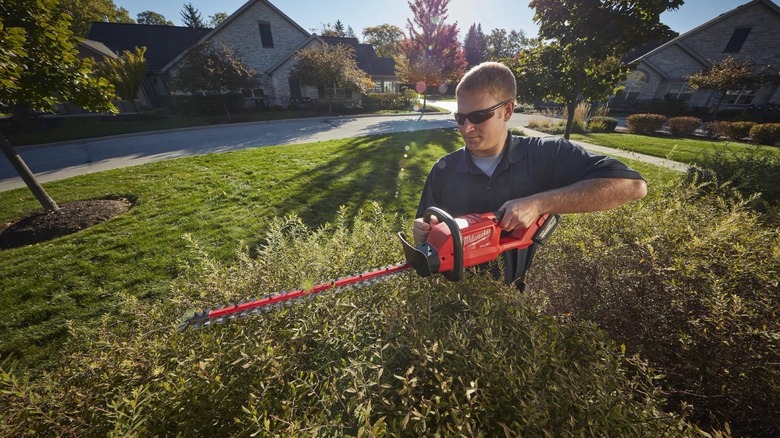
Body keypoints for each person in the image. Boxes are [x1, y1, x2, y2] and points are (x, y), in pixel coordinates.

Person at [412, 61, 647, 289]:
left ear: (507, 111)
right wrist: (423, 231)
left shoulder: (547, 154)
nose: (467, 128)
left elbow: (633, 186)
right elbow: (426, 225)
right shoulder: (443, 169)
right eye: (460, 118)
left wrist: (538, 204)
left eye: (478, 116)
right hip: (452, 296)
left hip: (515, 295)